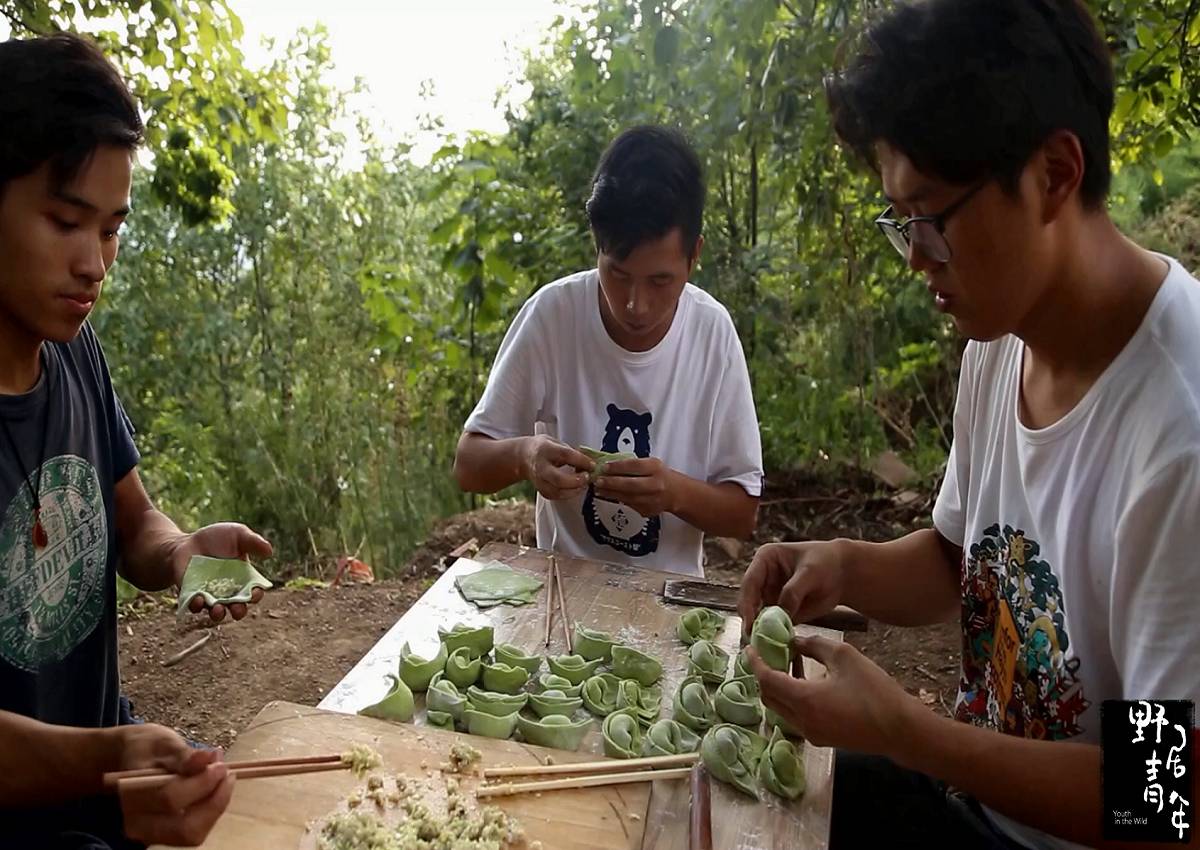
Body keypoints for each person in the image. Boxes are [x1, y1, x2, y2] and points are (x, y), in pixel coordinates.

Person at [739, 1, 1200, 848]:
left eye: (933, 219)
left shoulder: (1180, 435)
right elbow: (961, 559)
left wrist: (906, 731)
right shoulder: (1001, 335)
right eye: (899, 222)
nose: (916, 257)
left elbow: (1167, 803)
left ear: (1055, 175)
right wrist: (841, 566)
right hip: (969, 808)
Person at [0, 33, 273, 849]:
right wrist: (106, 763)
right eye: (65, 222)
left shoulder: (74, 350)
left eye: (112, 229)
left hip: (101, 800)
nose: (96, 265)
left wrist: (183, 553)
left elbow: (132, 524)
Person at [454, 125, 763, 576]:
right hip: (563, 592)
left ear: (694, 255)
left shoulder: (712, 333)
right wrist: (526, 456)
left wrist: (672, 493)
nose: (636, 305)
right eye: (617, 275)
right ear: (596, 246)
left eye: (660, 281)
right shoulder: (553, 316)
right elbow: (468, 464)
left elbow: (742, 512)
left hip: (669, 600)